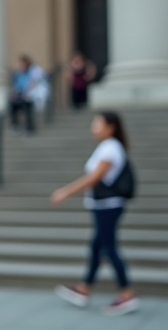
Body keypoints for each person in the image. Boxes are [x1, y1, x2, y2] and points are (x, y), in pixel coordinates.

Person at [49, 111, 139, 316]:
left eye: (97, 124)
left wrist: (65, 192)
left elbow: (94, 178)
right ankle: (84, 289)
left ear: (111, 127)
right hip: (103, 205)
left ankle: (127, 293)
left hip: (108, 205)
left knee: (108, 247)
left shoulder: (111, 148)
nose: (93, 128)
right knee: (98, 246)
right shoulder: (108, 147)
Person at [9, 55, 47, 134]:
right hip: (21, 94)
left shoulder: (34, 71)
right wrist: (14, 94)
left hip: (31, 95)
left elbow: (34, 83)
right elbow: (17, 86)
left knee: (27, 106)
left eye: (22, 64)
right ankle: (15, 125)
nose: (20, 66)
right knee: (12, 103)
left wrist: (26, 93)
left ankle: (30, 128)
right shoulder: (19, 74)